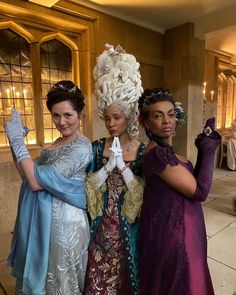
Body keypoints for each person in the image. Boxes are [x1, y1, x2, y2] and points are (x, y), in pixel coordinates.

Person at [4, 80, 93, 295]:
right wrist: (15, 146)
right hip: (41, 223)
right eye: (56, 115)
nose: (61, 122)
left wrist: (18, 142)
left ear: (80, 114)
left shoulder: (82, 147)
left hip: (64, 227)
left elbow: (35, 182)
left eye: (68, 115)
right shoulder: (56, 144)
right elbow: (26, 176)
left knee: (59, 286)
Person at [138, 87, 221, 295]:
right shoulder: (157, 155)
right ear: (146, 122)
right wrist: (210, 149)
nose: (167, 121)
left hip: (186, 229)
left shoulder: (166, 151)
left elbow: (191, 183)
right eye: (158, 116)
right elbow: (200, 191)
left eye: (171, 114)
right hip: (176, 238)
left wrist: (202, 151)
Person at [83, 44, 145, 295]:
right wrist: (108, 168)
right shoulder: (98, 147)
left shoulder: (141, 150)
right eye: (107, 118)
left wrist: (125, 169)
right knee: (97, 280)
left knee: (124, 282)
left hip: (128, 228)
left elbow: (141, 195)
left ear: (128, 116)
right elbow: (89, 187)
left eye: (116, 117)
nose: (111, 123)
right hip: (100, 227)